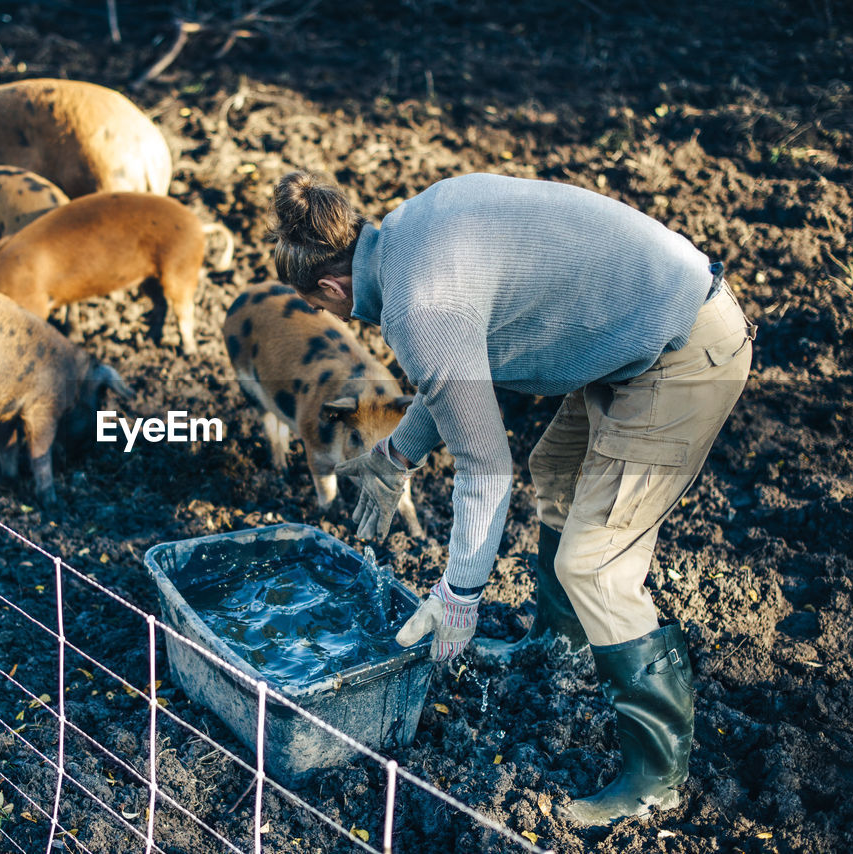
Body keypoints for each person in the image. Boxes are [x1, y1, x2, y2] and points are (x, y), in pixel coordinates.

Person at [268, 170, 754, 826]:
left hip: (682, 351)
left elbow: (484, 466)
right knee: (554, 469)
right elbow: (458, 382)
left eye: (323, 308)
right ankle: (561, 645)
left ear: (330, 288)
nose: (332, 318)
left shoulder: (418, 308)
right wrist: (394, 458)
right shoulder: (409, 233)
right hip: (634, 332)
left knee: (596, 564)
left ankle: (655, 777)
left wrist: (458, 595)